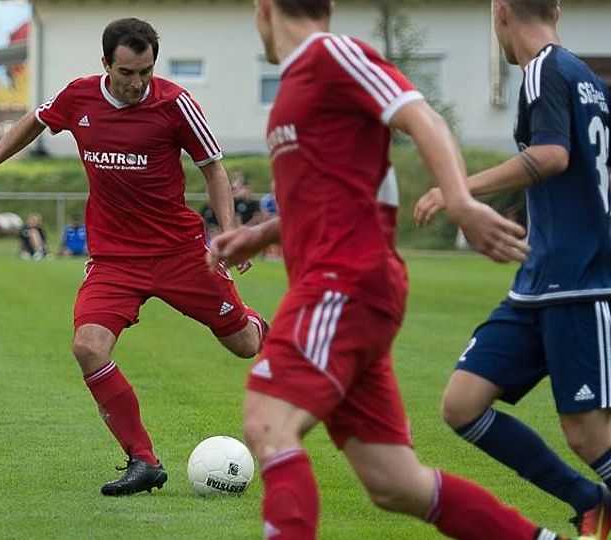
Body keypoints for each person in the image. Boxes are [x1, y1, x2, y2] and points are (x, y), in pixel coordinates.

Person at [208, 1, 574, 539]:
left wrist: (460, 200)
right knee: (395, 483)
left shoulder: (331, 54)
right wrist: (260, 234)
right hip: (351, 289)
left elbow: (422, 116)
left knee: (268, 422)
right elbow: (337, 194)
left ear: (264, 8)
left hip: (344, 282)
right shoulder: (297, 86)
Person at [0, 17, 268, 496]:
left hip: (180, 253)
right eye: (126, 72)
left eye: (145, 72)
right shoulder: (79, 96)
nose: (137, 83)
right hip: (114, 260)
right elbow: (34, 122)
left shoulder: (176, 104)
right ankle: (143, 460)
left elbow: (214, 169)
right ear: (106, 64)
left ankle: (278, 331)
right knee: (88, 347)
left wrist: (229, 233)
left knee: (244, 344)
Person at [413, 1, 611, 537]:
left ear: (500, 11)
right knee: (463, 404)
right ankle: (590, 503)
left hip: (577, 283)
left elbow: (551, 155)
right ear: (558, 9)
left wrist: (459, 190)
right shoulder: (586, 79)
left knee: (588, 434)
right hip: (538, 285)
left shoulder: (545, 68)